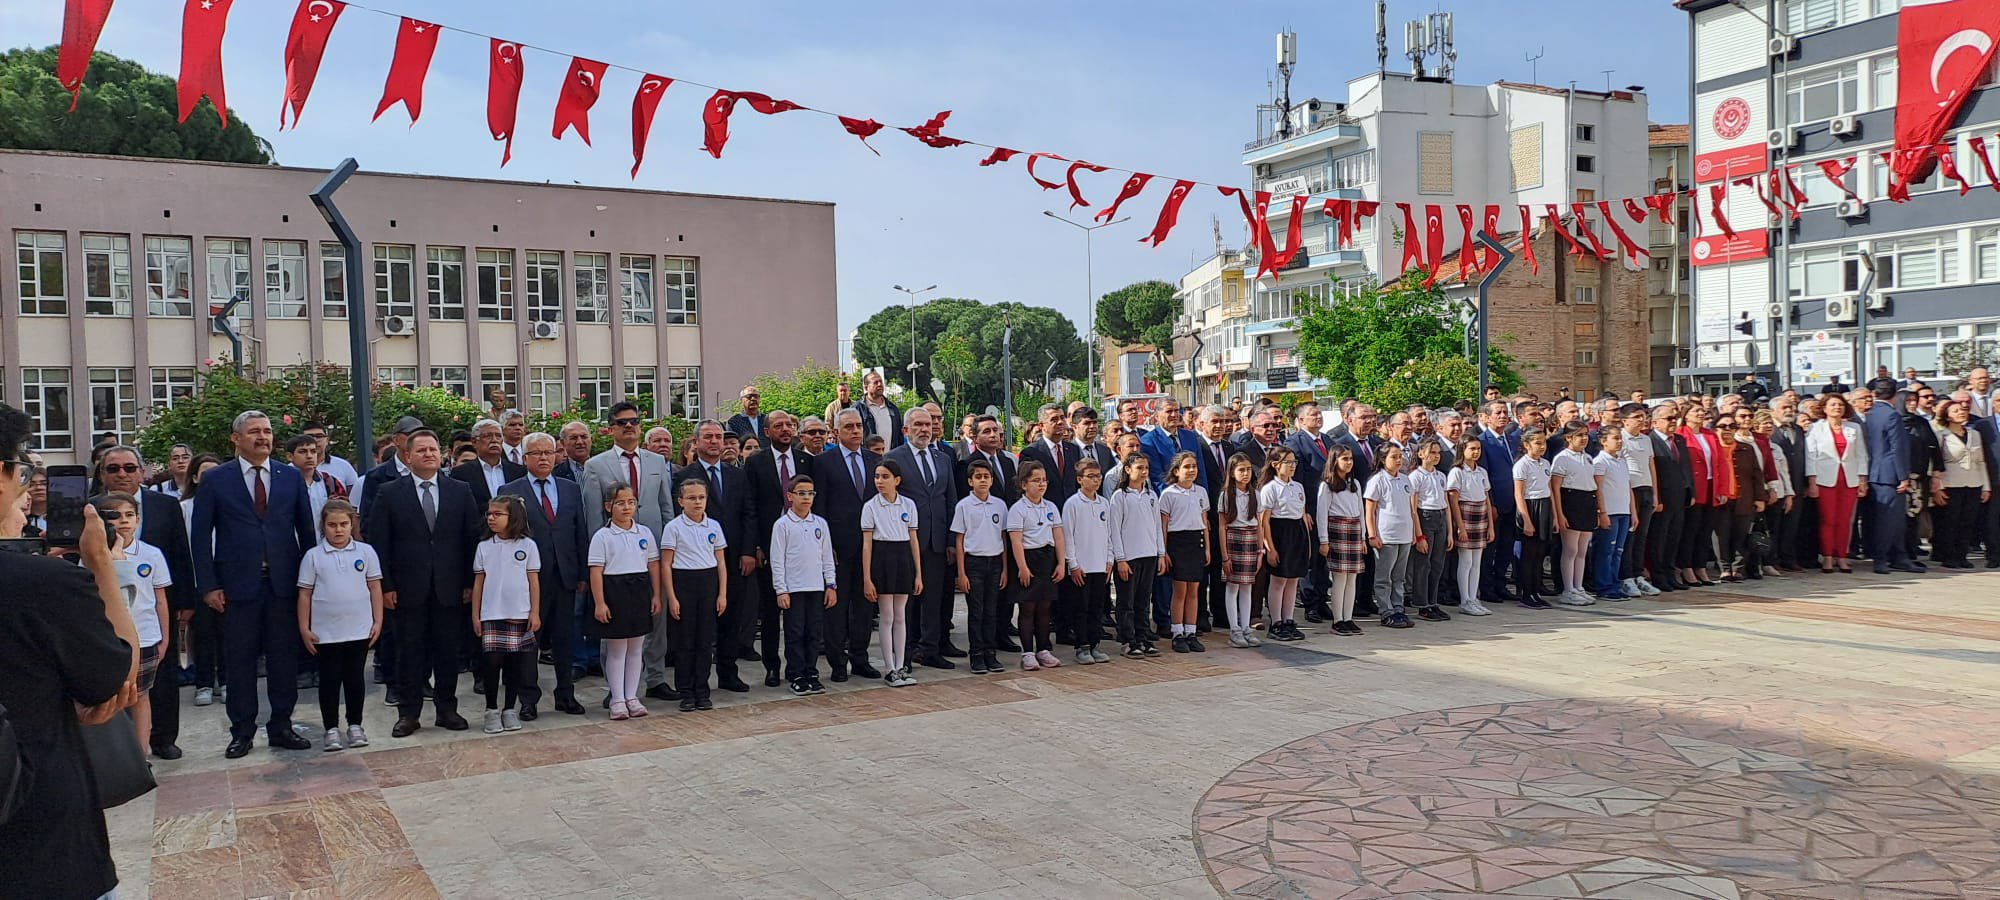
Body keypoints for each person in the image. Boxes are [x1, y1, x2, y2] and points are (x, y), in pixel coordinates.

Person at [0, 402, 145, 900]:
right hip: (37, 827)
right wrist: (100, 563)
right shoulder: (39, 581)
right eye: (22, 469)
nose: (26, 485)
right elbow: (118, 678)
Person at [191, 410, 318, 757]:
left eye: (267, 431)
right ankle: (242, 731)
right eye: (253, 432)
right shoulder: (216, 479)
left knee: (283, 659)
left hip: (283, 585)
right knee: (240, 661)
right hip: (236, 586)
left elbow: (306, 532)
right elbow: (200, 537)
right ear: (236, 438)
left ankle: (281, 726)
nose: (262, 437)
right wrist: (208, 586)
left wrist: (311, 582)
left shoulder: (289, 477)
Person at [364, 429, 482, 739]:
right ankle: (409, 713)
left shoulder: (460, 490)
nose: (428, 454)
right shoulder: (389, 493)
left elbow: (472, 540)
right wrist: (386, 586)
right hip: (406, 589)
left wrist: (470, 583)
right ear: (408, 456)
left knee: (447, 652)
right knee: (409, 653)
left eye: (433, 449)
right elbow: (380, 543)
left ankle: (447, 709)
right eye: (421, 450)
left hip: (450, 586)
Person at [93, 446, 196, 760]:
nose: (122, 474)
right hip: (108, 616)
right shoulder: (91, 509)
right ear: (102, 474)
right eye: (113, 469)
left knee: (161, 680)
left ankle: (164, 738)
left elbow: (180, 551)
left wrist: (187, 601)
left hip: (155, 607)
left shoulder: (165, 505)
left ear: (141, 471)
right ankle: (122, 750)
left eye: (128, 467)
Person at [582, 402, 677, 701]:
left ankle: (656, 678)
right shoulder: (596, 465)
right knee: (614, 623)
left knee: (654, 616)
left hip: (651, 554)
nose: (629, 426)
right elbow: (592, 517)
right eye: (622, 422)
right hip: (614, 560)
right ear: (611, 428)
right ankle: (616, 689)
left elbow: (665, 508)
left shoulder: (656, 462)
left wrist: (669, 550)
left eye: (634, 421)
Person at [498, 433, 591, 717]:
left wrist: (582, 573)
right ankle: (529, 699)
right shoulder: (510, 489)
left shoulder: (570, 488)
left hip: (565, 575)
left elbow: (579, 531)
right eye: (536, 453)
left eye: (548, 453)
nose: (543, 458)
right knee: (530, 641)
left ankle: (565, 694)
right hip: (528, 580)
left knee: (565, 639)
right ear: (525, 458)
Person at [673, 421, 758, 694]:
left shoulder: (737, 475)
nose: (714, 442)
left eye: (718, 437)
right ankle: (694, 682)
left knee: (731, 619)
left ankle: (728, 673)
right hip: (696, 564)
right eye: (708, 437)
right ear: (696, 442)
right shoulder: (684, 475)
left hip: (733, 559)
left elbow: (748, 514)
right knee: (697, 626)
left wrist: (747, 551)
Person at [296, 499, 383, 752]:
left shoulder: (365, 553)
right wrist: (304, 628)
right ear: (323, 526)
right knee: (330, 680)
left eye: (344, 524)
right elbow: (305, 594)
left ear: (351, 525)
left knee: (355, 677)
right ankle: (331, 728)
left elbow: (375, 587)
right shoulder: (313, 557)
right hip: (326, 632)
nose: (338, 530)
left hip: (358, 628)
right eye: (332, 525)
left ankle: (355, 724)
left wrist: (377, 620)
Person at [97, 491, 171, 756]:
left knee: (140, 697)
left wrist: (165, 637)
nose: (123, 521)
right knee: (111, 699)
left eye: (130, 515)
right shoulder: (94, 554)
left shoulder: (151, 554)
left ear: (138, 520)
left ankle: (142, 755)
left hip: (145, 636)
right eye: (115, 516)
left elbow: (160, 599)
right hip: (107, 639)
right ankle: (116, 757)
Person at [886, 407, 960, 671]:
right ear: (906, 430)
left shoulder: (942, 459)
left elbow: (950, 500)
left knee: (933, 598)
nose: (924, 429)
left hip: (937, 539)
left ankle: (930, 649)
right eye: (918, 424)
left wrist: (951, 540)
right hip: (906, 541)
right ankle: (904, 655)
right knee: (907, 602)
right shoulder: (894, 458)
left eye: (928, 425)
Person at [814, 409, 883, 681]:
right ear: (836, 431)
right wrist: (824, 546)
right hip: (837, 547)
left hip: (869, 546)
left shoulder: (876, 460)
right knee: (837, 608)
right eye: (849, 427)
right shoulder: (824, 462)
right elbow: (819, 508)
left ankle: (860, 658)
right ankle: (837, 663)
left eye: (859, 426)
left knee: (864, 607)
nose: (856, 431)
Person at [588, 483, 661, 719]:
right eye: (620, 503)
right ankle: (617, 699)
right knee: (617, 649)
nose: (626, 507)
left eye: (631, 502)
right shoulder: (603, 536)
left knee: (636, 648)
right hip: (614, 591)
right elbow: (596, 571)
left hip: (639, 591)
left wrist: (656, 594)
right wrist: (600, 603)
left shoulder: (644, 533)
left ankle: (632, 696)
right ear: (608, 506)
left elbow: (653, 565)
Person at [470, 494, 541, 734]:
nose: (491, 518)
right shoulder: (484, 547)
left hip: (519, 614)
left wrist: (535, 612)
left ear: (514, 517)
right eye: (489, 514)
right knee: (492, 663)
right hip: (492, 613)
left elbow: (533, 582)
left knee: (515, 665)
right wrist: (475, 615)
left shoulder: (527, 546)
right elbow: (479, 583)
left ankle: (509, 709)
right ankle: (491, 709)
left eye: (497, 514)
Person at [662, 479, 727, 712]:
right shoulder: (674, 528)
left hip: (708, 584)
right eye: (691, 498)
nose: (697, 502)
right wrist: (672, 597)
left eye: (701, 497)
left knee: (705, 642)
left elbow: (720, 562)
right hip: (684, 583)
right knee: (685, 642)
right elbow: (666, 564)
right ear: (681, 501)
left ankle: (702, 690)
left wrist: (722, 594)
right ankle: (686, 691)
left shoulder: (714, 526)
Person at [769, 473, 835, 694]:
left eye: (810, 493)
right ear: (790, 496)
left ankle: (811, 671)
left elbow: (827, 556)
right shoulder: (783, 525)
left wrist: (831, 585)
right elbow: (777, 559)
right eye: (801, 493)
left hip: (816, 586)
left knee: (814, 631)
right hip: (794, 588)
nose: (806, 498)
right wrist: (781, 589)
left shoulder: (820, 523)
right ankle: (796, 672)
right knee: (795, 632)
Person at [860, 460, 922, 686]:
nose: (879, 481)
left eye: (885, 477)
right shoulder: (871, 506)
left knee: (901, 615)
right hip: (883, 557)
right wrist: (867, 578)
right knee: (886, 616)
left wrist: (918, 574)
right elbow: (867, 545)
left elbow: (913, 540)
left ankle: (901, 664)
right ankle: (889, 668)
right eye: (877, 476)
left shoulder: (908, 505)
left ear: (897, 480)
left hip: (903, 556)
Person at [952, 459, 1011, 674]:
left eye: (987, 477)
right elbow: (960, 540)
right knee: (976, 611)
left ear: (992, 480)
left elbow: (1003, 538)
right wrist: (961, 572)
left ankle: (990, 653)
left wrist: (1005, 569)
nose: (983, 480)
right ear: (970, 481)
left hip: (994, 562)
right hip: (974, 563)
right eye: (978, 477)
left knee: (991, 611)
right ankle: (976, 655)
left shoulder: (999, 505)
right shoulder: (964, 506)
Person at [1008, 460, 1067, 671]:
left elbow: (1058, 537)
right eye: (1035, 481)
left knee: (1044, 607)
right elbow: (1016, 540)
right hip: (1028, 559)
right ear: (1024, 484)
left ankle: (1043, 648)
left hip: (1047, 559)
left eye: (1043, 480)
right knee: (1027, 608)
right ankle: (1027, 652)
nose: (1041, 485)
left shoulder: (1050, 507)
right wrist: (1022, 567)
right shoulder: (1018, 509)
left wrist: (1061, 563)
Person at [1862, 385, 1924, 574]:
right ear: (1895, 395)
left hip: (1874, 472)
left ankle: (1897, 555)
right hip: (1889, 474)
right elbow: (1897, 448)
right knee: (1890, 519)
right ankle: (1883, 558)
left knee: (1887, 518)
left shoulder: (1869, 413)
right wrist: (1903, 476)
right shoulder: (1892, 415)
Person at [1109, 453, 1164, 658]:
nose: (1143, 472)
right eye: (1139, 468)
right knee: (1127, 602)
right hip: (1129, 557)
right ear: (1128, 470)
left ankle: (1142, 637)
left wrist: (1160, 553)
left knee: (1143, 600)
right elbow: (1115, 529)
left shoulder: (1151, 496)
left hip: (1148, 554)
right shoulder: (1119, 497)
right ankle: (1127, 640)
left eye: (1146, 468)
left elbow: (1157, 526)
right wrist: (1120, 559)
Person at [1804, 393, 1867, 574]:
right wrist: (1812, 480)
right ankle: (1828, 557)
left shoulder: (1854, 428)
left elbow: (1861, 454)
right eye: (1832, 405)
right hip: (1825, 479)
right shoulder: (1816, 429)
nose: (1837, 408)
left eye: (1840, 405)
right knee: (1828, 520)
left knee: (1845, 520)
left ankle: (1843, 557)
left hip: (1849, 479)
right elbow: (1811, 455)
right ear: (1824, 408)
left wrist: (1862, 479)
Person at [1257, 447, 1314, 640]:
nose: (1292, 467)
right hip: (1280, 534)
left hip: (1296, 533)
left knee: (1293, 580)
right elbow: (1264, 521)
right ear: (1275, 465)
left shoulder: (1297, 487)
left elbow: (1301, 514)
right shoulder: (1269, 488)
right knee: (1278, 580)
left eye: (1293, 462)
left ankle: (1289, 620)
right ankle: (1276, 622)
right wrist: (1269, 547)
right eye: (1287, 463)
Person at [1061, 458, 1114, 665]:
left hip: (1100, 564)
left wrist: (1109, 560)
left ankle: (1095, 643)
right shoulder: (1072, 504)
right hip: (1082, 566)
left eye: (1098, 476)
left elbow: (1108, 533)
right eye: (1091, 477)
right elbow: (1068, 537)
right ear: (1079, 479)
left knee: (1096, 607)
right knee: (1080, 608)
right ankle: (1081, 646)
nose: (1096, 480)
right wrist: (1073, 564)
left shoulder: (1103, 503)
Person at [1364, 443, 1423, 628]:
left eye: (1400, 457)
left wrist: (1414, 532)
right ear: (1383, 459)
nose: (1399, 460)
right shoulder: (1377, 480)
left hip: (1404, 534)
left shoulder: (1405, 480)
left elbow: (1411, 509)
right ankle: (1386, 610)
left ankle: (1398, 608)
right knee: (1384, 577)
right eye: (1394, 457)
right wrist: (1372, 534)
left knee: (1399, 576)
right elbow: (1370, 509)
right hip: (1387, 535)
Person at [1160, 452, 1210, 652]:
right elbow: (1164, 525)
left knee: (1194, 591)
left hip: (1195, 541)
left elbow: (1205, 522)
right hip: (1177, 542)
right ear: (1176, 471)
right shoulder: (1169, 493)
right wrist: (1164, 551)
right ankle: (1177, 631)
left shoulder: (1201, 492)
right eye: (1187, 467)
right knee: (1180, 591)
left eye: (1194, 467)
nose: (1191, 470)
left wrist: (1207, 547)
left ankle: (1191, 630)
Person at [1931, 398, 1990, 568]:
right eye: (1956, 411)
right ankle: (1948, 555)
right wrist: (1938, 488)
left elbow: (1981, 462)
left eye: (1963, 410)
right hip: (1951, 482)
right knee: (1950, 521)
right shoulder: (1941, 435)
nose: (1961, 412)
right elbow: (1936, 463)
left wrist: (1985, 487)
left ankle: (1962, 555)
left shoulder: (1974, 434)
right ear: (1947, 416)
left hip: (1973, 482)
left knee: (1968, 520)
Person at [1548, 426, 1602, 606]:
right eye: (1579, 435)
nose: (1584, 438)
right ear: (1568, 438)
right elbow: (1555, 488)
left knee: (1582, 550)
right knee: (1570, 550)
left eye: (1585, 435)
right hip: (1571, 502)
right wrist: (1559, 513)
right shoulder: (1562, 458)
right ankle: (1568, 589)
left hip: (1587, 500)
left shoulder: (1587, 457)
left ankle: (1578, 587)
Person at [1677, 405, 1726, 588]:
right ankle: (1686, 566)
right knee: (1691, 530)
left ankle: (1700, 566)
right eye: (1695, 411)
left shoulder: (1710, 434)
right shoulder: (1680, 434)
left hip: (1711, 486)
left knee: (1705, 531)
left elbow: (1720, 462)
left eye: (1701, 411)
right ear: (1686, 416)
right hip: (1694, 488)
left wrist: (1722, 489)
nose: (1699, 414)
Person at [1219, 453, 1264, 647]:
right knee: (1232, 586)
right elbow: (1222, 526)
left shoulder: (1255, 494)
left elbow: (1260, 524)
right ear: (1231, 472)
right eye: (1241, 470)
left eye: (1248, 469)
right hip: (1233, 538)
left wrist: (1260, 550)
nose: (1245, 474)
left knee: (1247, 587)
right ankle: (1234, 630)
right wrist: (1225, 556)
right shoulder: (1226, 495)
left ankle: (1246, 628)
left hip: (1251, 538)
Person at [1446, 438, 1494, 616]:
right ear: (1462, 450)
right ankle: (1465, 599)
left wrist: (1490, 526)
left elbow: (1487, 499)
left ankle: (1474, 597)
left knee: (1477, 562)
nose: (1476, 452)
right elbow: (1454, 500)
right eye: (1472, 448)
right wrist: (1460, 526)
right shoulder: (1457, 472)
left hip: (1480, 514)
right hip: (1465, 515)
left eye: (1478, 448)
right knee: (1466, 561)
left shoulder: (1481, 472)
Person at [1511, 431, 1557, 609]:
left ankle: (1536, 591)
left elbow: (1549, 489)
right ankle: (1526, 593)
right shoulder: (1522, 465)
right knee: (1528, 555)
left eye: (1543, 443)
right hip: (1530, 507)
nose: (1542, 446)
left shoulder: (1545, 463)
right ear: (1527, 445)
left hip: (1544, 506)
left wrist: (1552, 515)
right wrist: (1526, 520)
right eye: (1537, 443)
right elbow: (1518, 493)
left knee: (1540, 553)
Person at [1589, 428, 1635, 600]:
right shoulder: (1600, 461)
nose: (1620, 441)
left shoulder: (1622, 461)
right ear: (1603, 441)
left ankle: (1614, 584)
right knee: (1605, 550)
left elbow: (1627, 487)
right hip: (1610, 512)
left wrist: (1633, 512)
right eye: (1615, 438)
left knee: (1618, 551)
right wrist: (1602, 512)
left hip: (1623, 511)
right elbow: (1598, 489)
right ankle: (1603, 585)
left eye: (1620, 438)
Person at [452, 419, 528, 509]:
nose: (494, 440)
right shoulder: (461, 473)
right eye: (487, 436)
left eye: (498, 436)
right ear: (474, 442)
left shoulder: (518, 471)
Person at [854, 370, 905, 450]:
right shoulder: (857, 409)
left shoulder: (893, 409)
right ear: (866, 387)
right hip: (868, 458)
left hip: (890, 457)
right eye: (875, 382)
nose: (880, 384)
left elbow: (899, 436)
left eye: (881, 381)